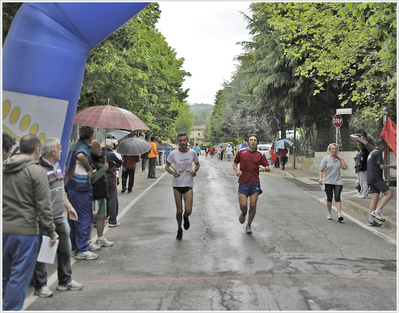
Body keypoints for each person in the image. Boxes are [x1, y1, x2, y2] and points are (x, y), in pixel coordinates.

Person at [3, 134, 58, 310]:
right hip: (25, 231)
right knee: (18, 278)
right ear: (37, 150)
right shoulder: (36, 172)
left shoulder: (4, 168)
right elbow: (44, 206)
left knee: (4, 277)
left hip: (3, 229)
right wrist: (51, 231)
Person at [33, 138, 83, 298]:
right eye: (60, 148)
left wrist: (68, 207)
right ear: (53, 151)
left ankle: (65, 281)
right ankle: (40, 286)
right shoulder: (40, 170)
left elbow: (60, 190)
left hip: (59, 217)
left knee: (65, 249)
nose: (62, 150)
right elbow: (40, 198)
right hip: (46, 219)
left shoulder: (57, 167)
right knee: (44, 253)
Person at [64, 126, 98, 260]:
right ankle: (83, 249)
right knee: (84, 217)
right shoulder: (82, 147)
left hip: (71, 186)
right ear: (91, 136)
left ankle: (74, 247)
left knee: (73, 217)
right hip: (81, 186)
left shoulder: (74, 145)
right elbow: (81, 155)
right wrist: (89, 169)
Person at [165, 132, 200, 240]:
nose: (182, 142)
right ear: (178, 141)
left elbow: (197, 164)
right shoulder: (174, 154)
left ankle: (186, 217)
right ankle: (179, 229)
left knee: (188, 210)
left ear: (187, 140)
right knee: (179, 210)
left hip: (188, 183)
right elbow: (167, 166)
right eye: (180, 140)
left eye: (184, 140)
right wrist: (173, 173)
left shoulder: (193, 152)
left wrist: (194, 170)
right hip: (177, 184)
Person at [233, 134, 270, 234]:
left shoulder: (260, 154)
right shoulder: (241, 152)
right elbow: (235, 163)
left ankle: (249, 225)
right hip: (243, 182)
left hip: (254, 182)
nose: (253, 141)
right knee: (243, 205)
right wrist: (237, 171)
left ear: (257, 142)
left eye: (255, 140)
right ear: (248, 142)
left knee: (253, 205)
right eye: (251, 140)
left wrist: (264, 168)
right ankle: (243, 213)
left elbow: (268, 167)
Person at [366, 138, 397, 227]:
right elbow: (382, 166)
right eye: (384, 147)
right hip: (376, 178)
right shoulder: (378, 152)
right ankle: (377, 211)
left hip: (370, 178)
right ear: (380, 146)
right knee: (389, 194)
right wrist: (393, 166)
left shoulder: (372, 153)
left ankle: (371, 219)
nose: (385, 149)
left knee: (375, 198)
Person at [90, 140, 114, 246]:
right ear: (92, 149)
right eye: (98, 147)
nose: (100, 149)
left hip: (102, 194)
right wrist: (103, 169)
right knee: (92, 217)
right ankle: (88, 241)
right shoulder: (89, 162)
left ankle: (100, 238)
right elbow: (92, 178)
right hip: (95, 195)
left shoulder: (99, 160)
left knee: (103, 216)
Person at [318, 143, 348, 222]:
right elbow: (321, 169)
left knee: (337, 196)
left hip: (337, 181)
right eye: (332, 149)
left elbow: (345, 167)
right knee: (329, 197)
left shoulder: (339, 159)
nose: (334, 150)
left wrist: (341, 158)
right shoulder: (326, 159)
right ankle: (329, 212)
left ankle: (339, 214)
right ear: (329, 150)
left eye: (335, 149)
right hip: (327, 181)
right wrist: (321, 178)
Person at [104, 139, 123, 227]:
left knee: (101, 200)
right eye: (112, 144)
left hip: (99, 180)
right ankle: (112, 220)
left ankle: (98, 220)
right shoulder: (112, 155)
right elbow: (119, 164)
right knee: (112, 200)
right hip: (111, 179)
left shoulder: (98, 154)